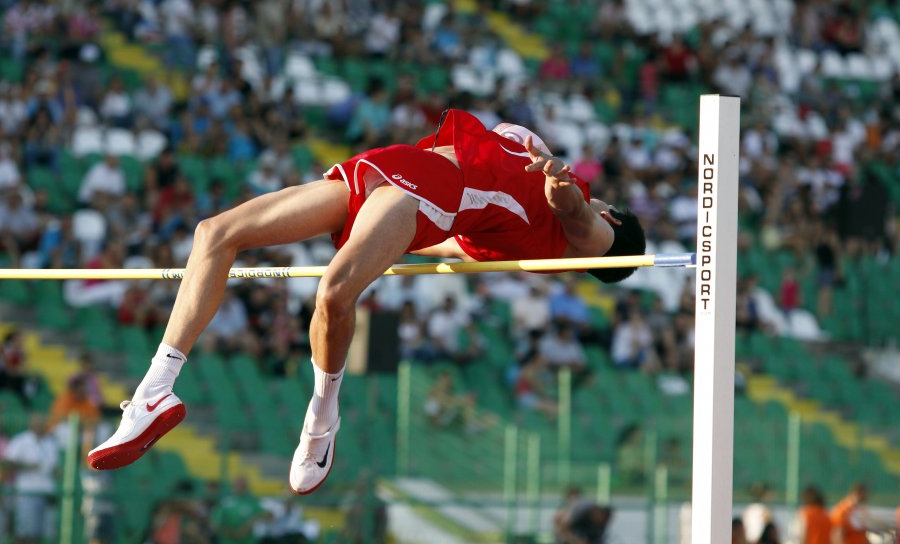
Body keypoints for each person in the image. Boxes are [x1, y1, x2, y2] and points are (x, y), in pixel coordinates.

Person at [87, 109, 646, 495]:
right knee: (214, 233)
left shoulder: (592, 234)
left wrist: (567, 196)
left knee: (332, 291)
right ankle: (152, 394)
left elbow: (582, 223)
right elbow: (456, 232)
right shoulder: (514, 235)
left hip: (424, 191)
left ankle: (321, 419)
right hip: (400, 168)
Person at [3, 414, 59, 544]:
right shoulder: (20, 440)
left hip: (47, 493)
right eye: (37, 423)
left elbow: (55, 466)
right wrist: (27, 466)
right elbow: (6, 463)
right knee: (25, 534)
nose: (39, 426)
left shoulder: (51, 442)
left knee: (42, 535)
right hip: (27, 493)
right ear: (31, 425)